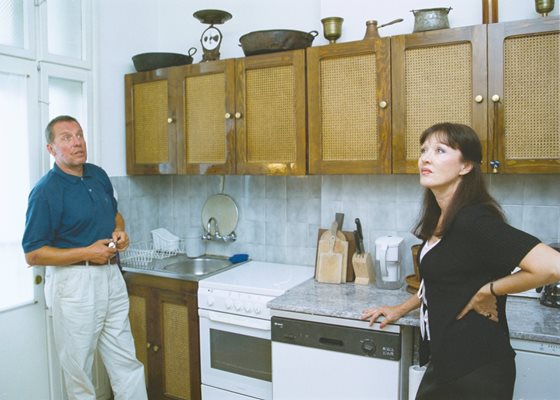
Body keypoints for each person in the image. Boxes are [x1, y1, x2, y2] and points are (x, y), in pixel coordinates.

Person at [361, 123, 560, 400]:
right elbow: (445, 280)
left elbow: (553, 266)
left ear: (466, 166)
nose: (425, 158)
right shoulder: (443, 217)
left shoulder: (474, 220)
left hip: (477, 368)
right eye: (424, 150)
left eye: (440, 150)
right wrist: (400, 308)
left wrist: (486, 291)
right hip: (447, 360)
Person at [22, 115, 147, 400]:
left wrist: (120, 231)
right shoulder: (45, 192)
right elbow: (33, 253)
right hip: (74, 284)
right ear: (51, 149)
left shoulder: (97, 175)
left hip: (111, 277)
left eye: (79, 135)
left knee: (126, 361)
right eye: (66, 137)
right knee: (80, 372)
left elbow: (113, 214)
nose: (77, 142)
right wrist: (88, 252)